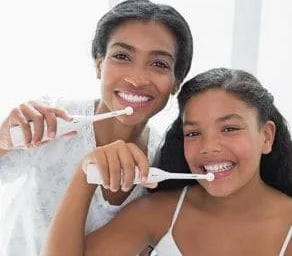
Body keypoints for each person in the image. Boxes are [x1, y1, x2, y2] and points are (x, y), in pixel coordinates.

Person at [0, 0, 193, 256]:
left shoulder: (165, 161)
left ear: (176, 82)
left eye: (159, 64)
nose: (136, 79)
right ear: (99, 64)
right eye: (122, 56)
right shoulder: (49, 122)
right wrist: (1, 141)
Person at [41, 67, 292, 256]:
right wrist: (84, 177)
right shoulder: (159, 213)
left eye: (229, 129)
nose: (210, 147)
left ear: (266, 136)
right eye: (193, 133)